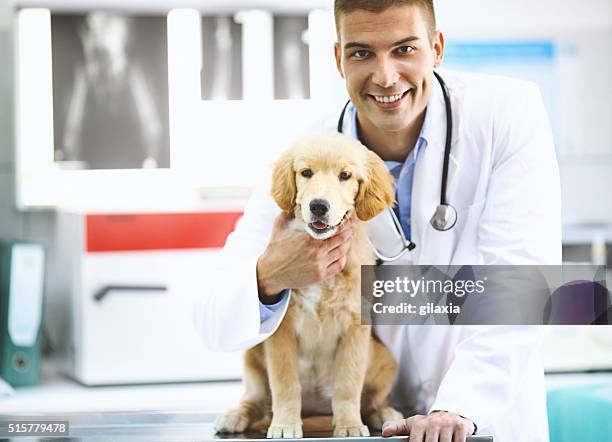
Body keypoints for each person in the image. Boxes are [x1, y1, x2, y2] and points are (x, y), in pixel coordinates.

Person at [194, 1, 561, 441]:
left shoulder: (505, 114)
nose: (386, 77)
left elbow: (523, 284)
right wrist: (268, 276)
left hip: (479, 413)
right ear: (338, 58)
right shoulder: (309, 154)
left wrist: (459, 404)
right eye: (362, 53)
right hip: (368, 421)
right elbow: (211, 315)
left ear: (437, 48)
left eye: (404, 49)